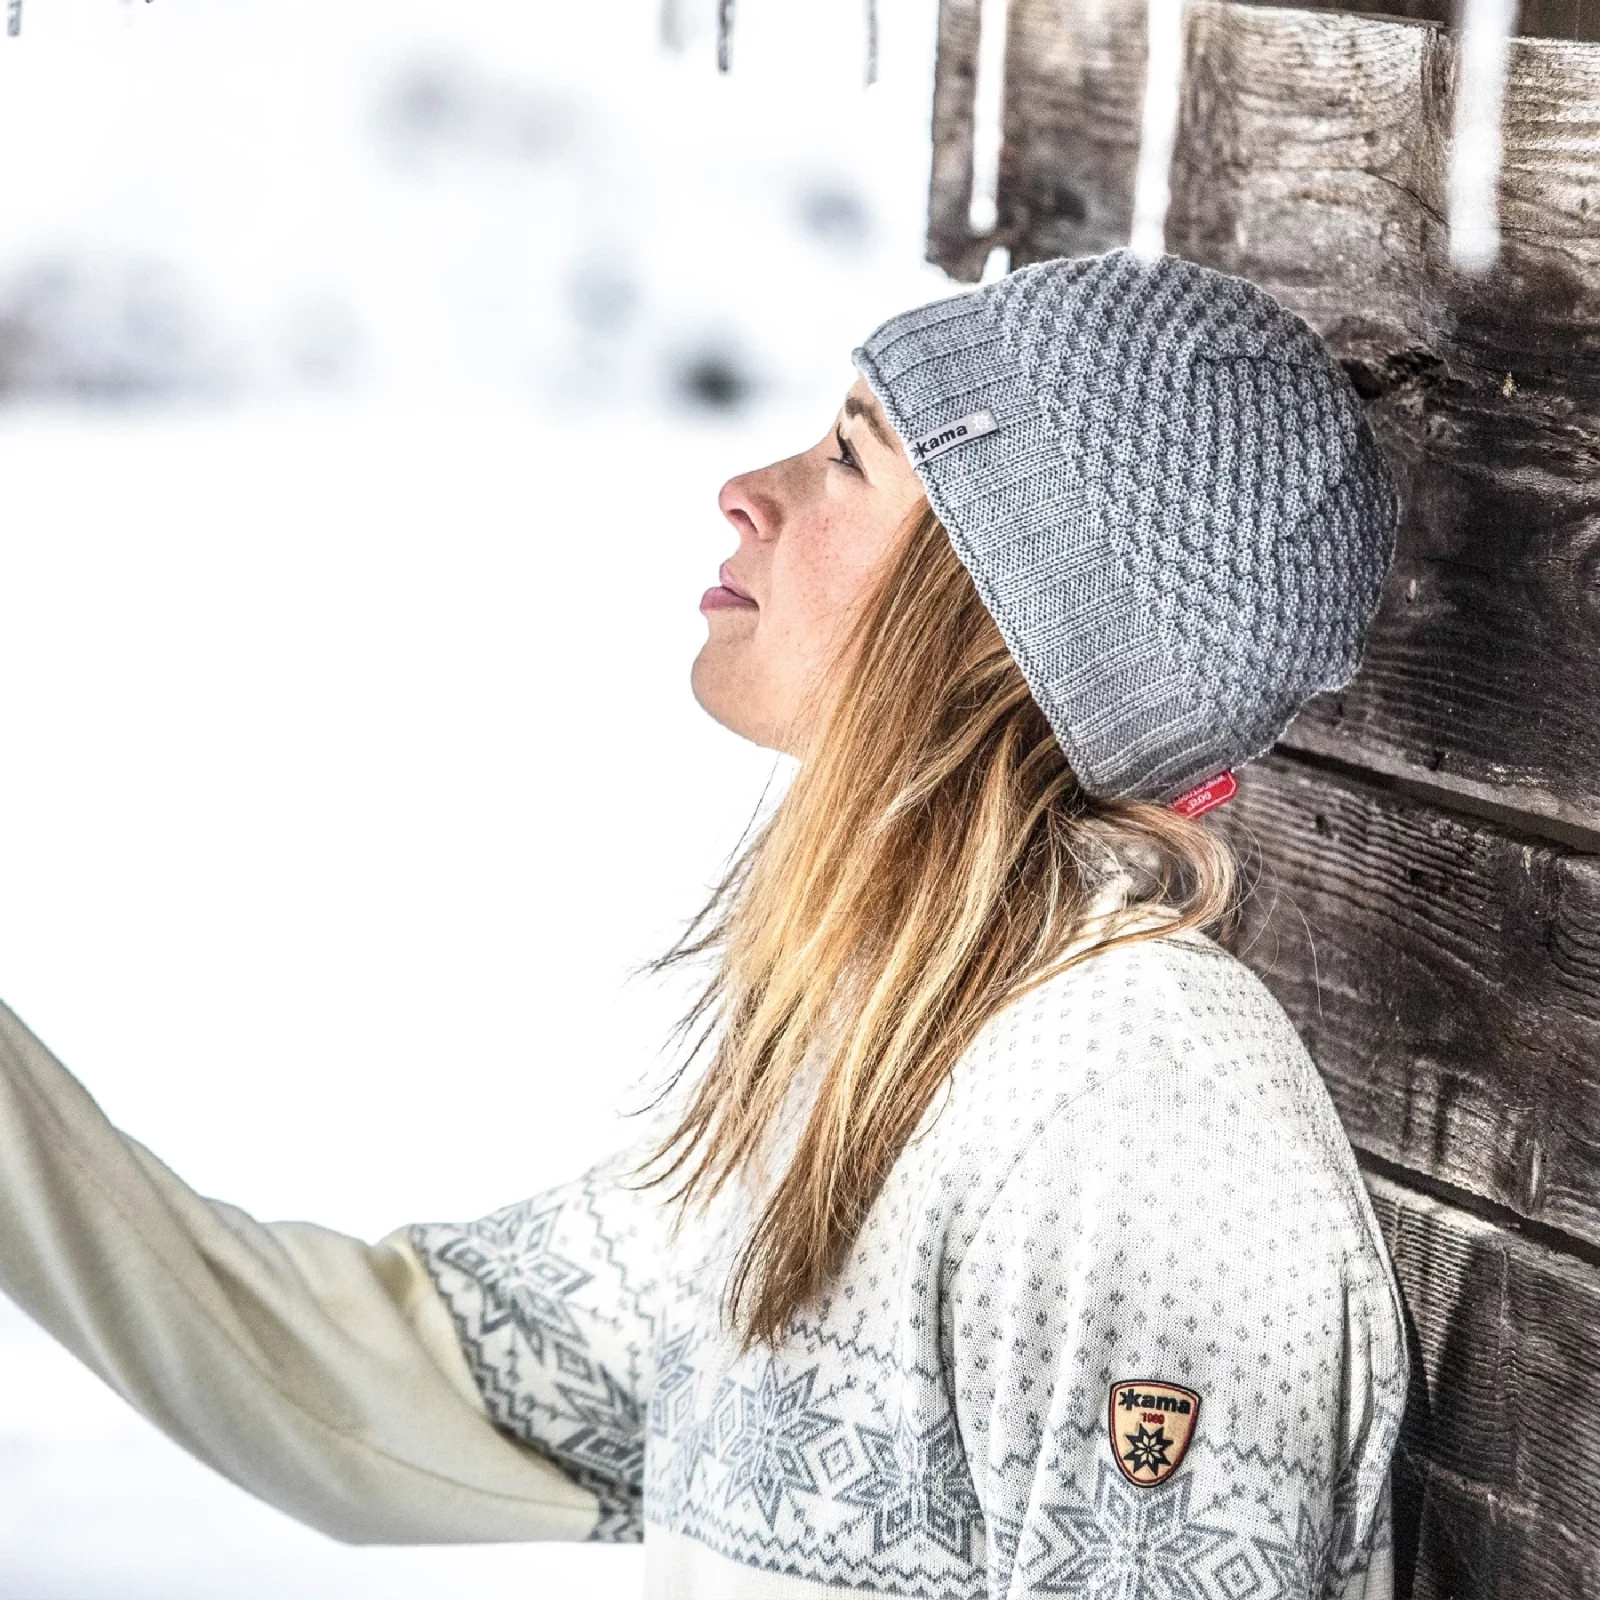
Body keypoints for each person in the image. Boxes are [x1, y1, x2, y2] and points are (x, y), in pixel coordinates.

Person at [0, 248, 1408, 1599]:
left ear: (1006, 607)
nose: (744, 492)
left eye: (850, 454)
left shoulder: (1133, 1114)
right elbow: (380, 1383)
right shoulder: (895, 1044)